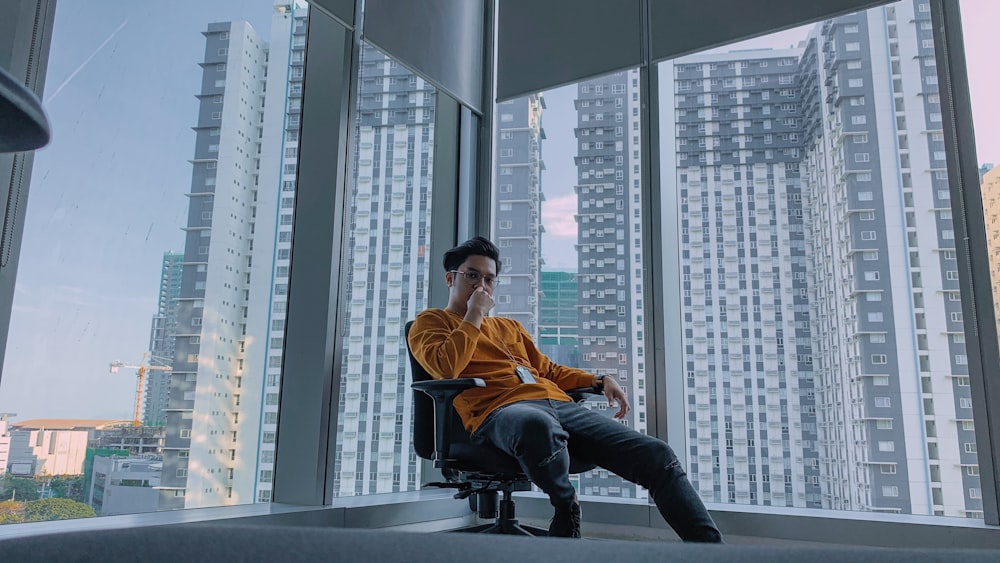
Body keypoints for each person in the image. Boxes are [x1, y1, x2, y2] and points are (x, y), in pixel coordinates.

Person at [407, 236, 723, 542]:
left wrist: (596, 381)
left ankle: (713, 553)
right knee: (536, 425)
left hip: (556, 404)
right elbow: (445, 366)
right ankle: (565, 504)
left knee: (657, 454)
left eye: (489, 279)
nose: (481, 286)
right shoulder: (430, 322)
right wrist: (474, 313)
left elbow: (547, 370)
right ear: (451, 278)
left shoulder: (509, 327)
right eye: (472, 276)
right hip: (496, 411)